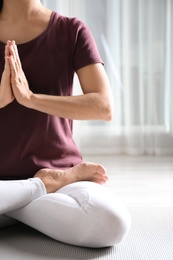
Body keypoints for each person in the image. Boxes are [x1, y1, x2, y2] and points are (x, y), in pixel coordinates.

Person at [0, 0, 131, 248]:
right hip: (34, 186)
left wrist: (30, 98)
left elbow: (103, 106)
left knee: (111, 222)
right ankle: (37, 188)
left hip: (62, 176)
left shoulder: (71, 30)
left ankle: (18, 199)